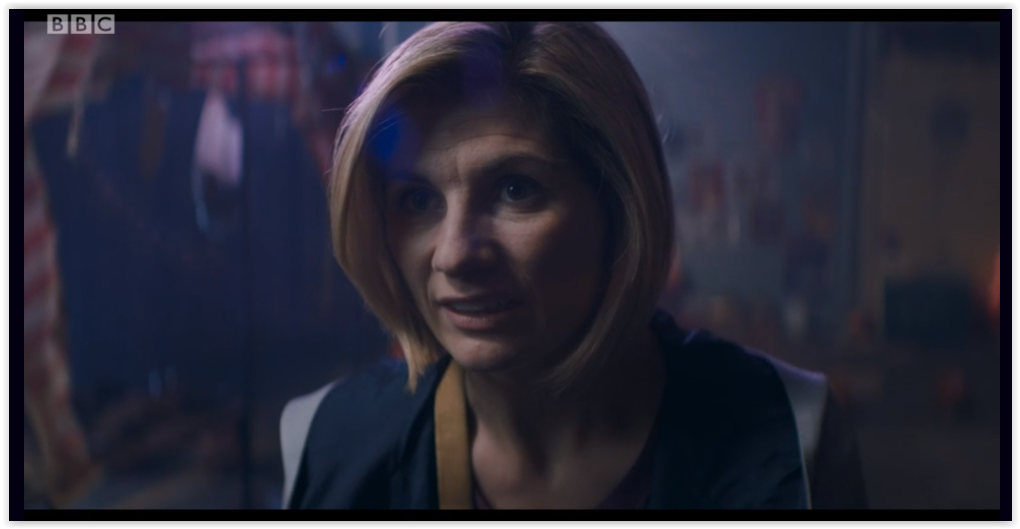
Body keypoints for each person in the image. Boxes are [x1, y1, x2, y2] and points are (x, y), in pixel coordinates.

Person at [280, 22, 867, 509]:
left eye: (515, 189)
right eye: (418, 200)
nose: (456, 254)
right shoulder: (323, 444)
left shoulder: (793, 437)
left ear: (620, 209)